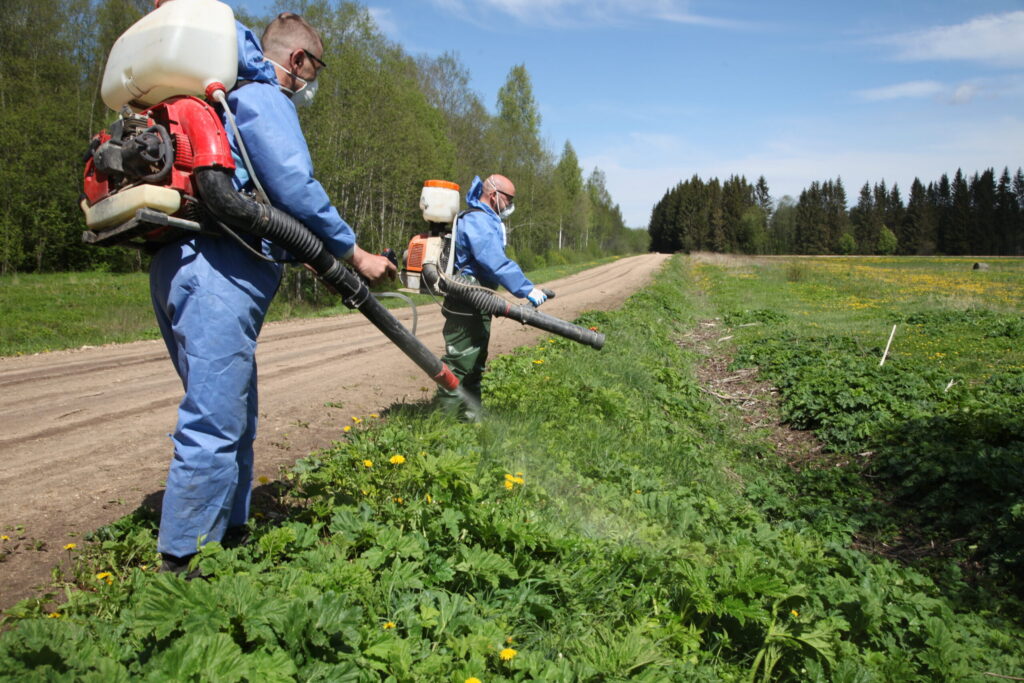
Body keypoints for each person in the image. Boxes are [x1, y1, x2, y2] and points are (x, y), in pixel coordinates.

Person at [149, 12, 395, 573]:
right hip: (217, 272)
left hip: (181, 265)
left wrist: (302, 253)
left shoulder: (224, 103)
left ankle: (228, 536)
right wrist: (351, 253)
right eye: (314, 69)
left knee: (233, 411)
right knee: (215, 419)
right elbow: (295, 188)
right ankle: (183, 568)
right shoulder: (262, 96)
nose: (311, 82)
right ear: (299, 61)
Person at [435, 174, 548, 418]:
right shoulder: (478, 220)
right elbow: (493, 261)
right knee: (460, 362)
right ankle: (444, 424)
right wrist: (525, 288)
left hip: (478, 298)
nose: (510, 205)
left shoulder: (487, 220)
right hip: (467, 297)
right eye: (509, 199)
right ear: (494, 195)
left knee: (475, 362)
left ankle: (470, 419)